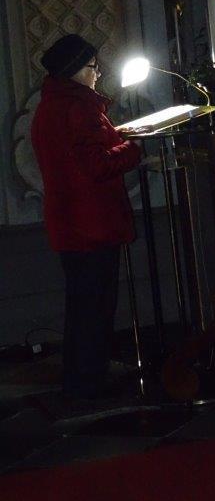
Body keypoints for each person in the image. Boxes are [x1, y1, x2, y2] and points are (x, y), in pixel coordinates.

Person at [32, 34, 142, 400]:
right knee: (95, 308)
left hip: (70, 223)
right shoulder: (79, 107)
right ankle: (89, 386)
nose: (99, 74)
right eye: (94, 67)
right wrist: (132, 149)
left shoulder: (51, 105)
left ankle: (79, 381)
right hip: (93, 224)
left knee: (81, 307)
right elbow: (96, 165)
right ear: (77, 70)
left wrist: (113, 136)